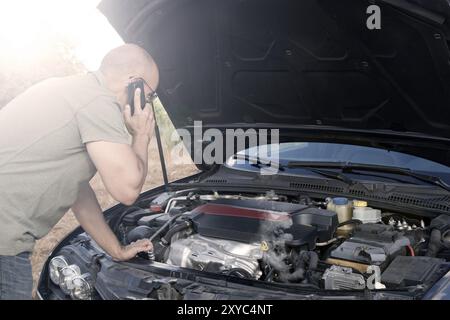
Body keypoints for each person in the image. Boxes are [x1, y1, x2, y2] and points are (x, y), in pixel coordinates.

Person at [0, 44, 159, 299]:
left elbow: (77, 192)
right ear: (135, 85)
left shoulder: (67, 89)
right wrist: (141, 135)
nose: (149, 104)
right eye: (151, 96)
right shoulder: (99, 101)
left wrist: (116, 250)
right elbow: (127, 191)